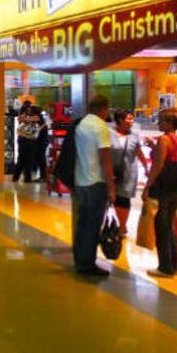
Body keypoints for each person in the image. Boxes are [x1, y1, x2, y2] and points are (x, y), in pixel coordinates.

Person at [73, 94, 115, 277]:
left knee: (83, 224)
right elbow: (105, 161)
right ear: (104, 108)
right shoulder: (100, 127)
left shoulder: (81, 124)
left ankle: (80, 260)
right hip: (95, 182)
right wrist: (112, 188)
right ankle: (87, 264)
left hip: (81, 181)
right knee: (92, 226)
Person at [142, 108, 177, 278]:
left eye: (160, 120)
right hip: (175, 188)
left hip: (162, 189)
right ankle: (174, 263)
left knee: (162, 228)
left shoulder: (164, 140)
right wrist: (154, 146)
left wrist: (147, 186)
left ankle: (165, 267)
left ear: (168, 122)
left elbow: (158, 166)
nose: (158, 123)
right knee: (169, 227)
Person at [110, 109, 148, 236]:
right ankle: (115, 223)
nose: (132, 122)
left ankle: (122, 226)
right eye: (129, 119)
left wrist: (146, 166)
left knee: (124, 199)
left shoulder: (134, 136)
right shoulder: (109, 134)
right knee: (113, 198)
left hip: (128, 173)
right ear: (120, 120)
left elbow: (139, 152)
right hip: (110, 172)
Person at [12, 100, 41, 183]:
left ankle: (22, 177)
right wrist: (27, 118)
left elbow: (35, 119)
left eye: (30, 108)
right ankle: (21, 177)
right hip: (26, 140)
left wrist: (26, 119)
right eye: (28, 108)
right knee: (24, 159)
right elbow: (20, 119)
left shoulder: (32, 116)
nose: (29, 110)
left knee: (26, 159)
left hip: (26, 139)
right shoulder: (24, 115)